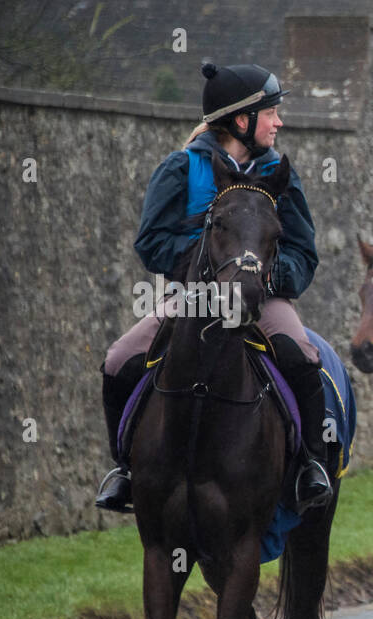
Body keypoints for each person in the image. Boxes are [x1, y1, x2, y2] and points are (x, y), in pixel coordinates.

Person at [94, 62, 330, 515]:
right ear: (242, 121)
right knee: (119, 360)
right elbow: (151, 242)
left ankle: (309, 466)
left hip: (261, 302)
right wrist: (207, 274)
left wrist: (261, 281)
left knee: (303, 357)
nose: (279, 122)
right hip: (192, 298)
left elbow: (303, 253)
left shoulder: (280, 173)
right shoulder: (181, 167)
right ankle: (124, 470)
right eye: (271, 113)